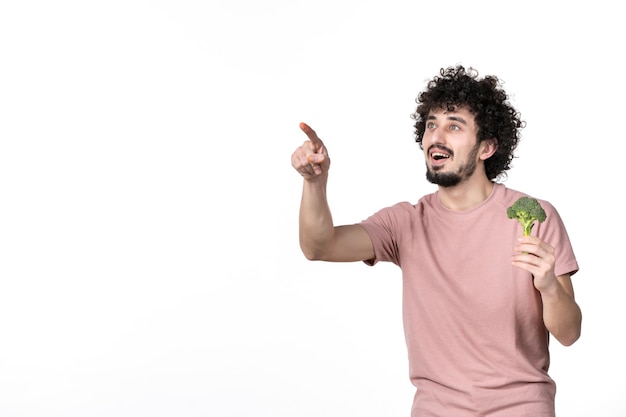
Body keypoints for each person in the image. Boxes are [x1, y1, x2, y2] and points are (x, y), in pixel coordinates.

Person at [290, 65, 582, 417]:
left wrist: (549, 286)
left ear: (487, 146)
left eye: (454, 125)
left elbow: (569, 333)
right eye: (431, 124)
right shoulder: (405, 223)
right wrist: (314, 184)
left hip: (521, 408)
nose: (436, 136)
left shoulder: (534, 216)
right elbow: (319, 246)